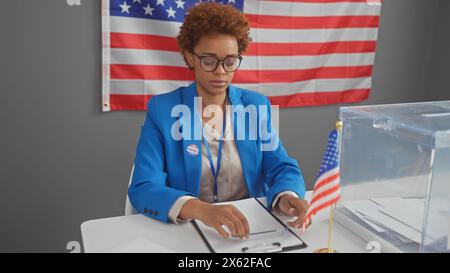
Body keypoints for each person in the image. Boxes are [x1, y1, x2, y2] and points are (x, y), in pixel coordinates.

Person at [128, 2, 308, 240]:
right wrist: (201, 210)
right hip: (190, 229)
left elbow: (280, 166)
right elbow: (143, 186)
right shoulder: (163, 110)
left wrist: (287, 195)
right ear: (190, 58)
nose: (221, 71)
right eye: (209, 61)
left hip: (250, 229)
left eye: (230, 61)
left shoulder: (256, 105)